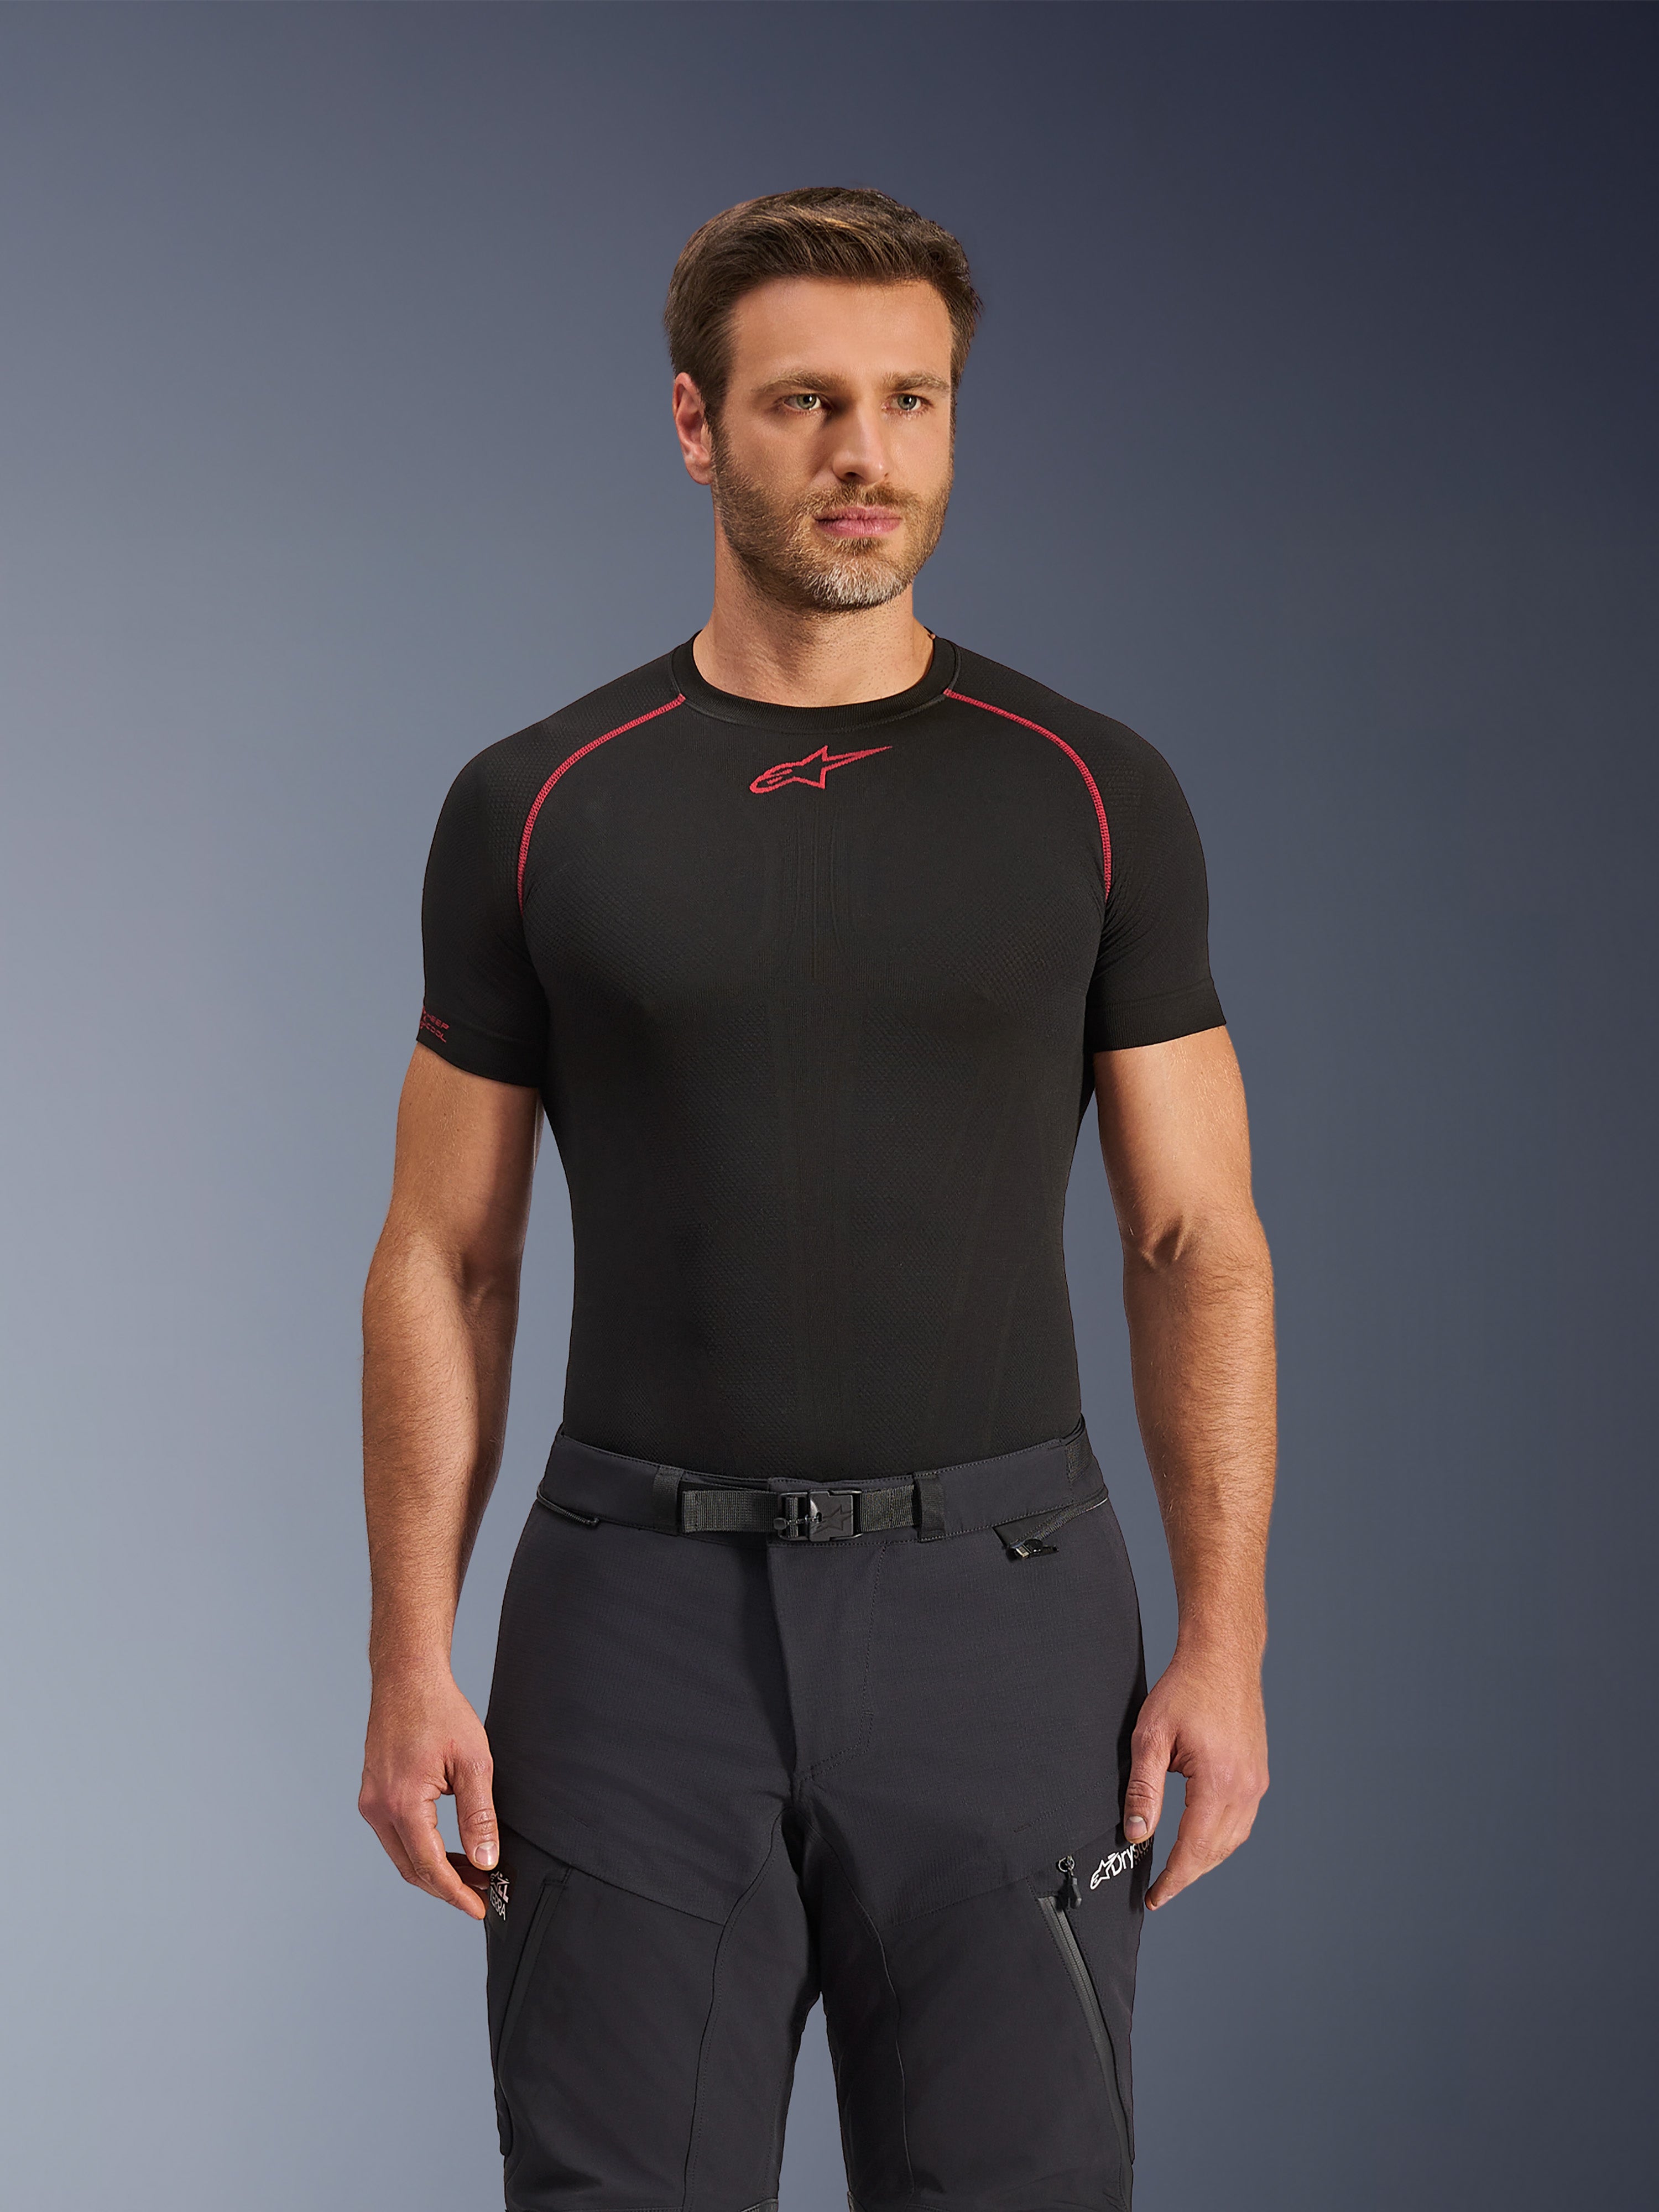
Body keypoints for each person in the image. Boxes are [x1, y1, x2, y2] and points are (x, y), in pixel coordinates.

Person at [358, 186, 1273, 2212]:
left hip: (1003, 1624)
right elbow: (448, 1252)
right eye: (806, 403)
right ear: (697, 424)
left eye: (910, 401)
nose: (867, 452)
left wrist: (1228, 1640)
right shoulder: (538, 803)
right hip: (634, 1625)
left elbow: (1193, 1237)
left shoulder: (1091, 790)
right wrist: (408, 1655)